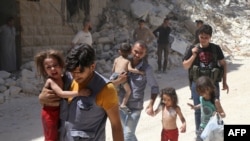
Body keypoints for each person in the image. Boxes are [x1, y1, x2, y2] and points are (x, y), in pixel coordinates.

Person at [39, 44, 124, 141]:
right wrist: (42, 97)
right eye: (72, 72)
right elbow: (49, 96)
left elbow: (116, 126)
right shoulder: (67, 79)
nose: (75, 76)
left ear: (92, 66)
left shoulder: (106, 90)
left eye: (79, 72)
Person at [182, 24, 229, 137]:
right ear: (198, 36)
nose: (203, 39)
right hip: (197, 85)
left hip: (212, 84)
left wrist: (224, 82)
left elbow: (223, 64)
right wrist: (193, 55)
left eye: (206, 37)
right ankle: (200, 134)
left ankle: (213, 133)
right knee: (198, 109)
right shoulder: (193, 48)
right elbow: (185, 66)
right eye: (201, 37)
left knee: (214, 108)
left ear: (210, 37)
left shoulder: (215, 48)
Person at [34, 49, 90, 141]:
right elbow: (61, 93)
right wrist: (80, 93)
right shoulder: (51, 81)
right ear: (44, 71)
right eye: (48, 67)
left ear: (61, 65)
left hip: (59, 112)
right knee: (51, 137)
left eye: (55, 65)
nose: (53, 69)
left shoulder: (65, 77)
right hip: (49, 113)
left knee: (59, 134)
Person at [116, 40, 160, 141]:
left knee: (127, 135)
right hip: (121, 105)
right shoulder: (123, 62)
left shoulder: (146, 69)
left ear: (145, 54)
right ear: (131, 50)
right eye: (136, 51)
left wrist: (151, 103)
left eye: (141, 53)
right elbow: (113, 79)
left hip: (135, 107)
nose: (137, 54)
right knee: (127, 133)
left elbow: (154, 87)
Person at [187, 76, 226, 141]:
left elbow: (223, 114)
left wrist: (218, 113)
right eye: (199, 92)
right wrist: (195, 107)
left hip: (213, 129)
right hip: (203, 127)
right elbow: (202, 104)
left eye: (202, 91)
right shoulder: (201, 98)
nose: (200, 93)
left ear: (209, 88)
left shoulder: (215, 101)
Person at [110, 42, 144, 114]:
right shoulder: (127, 61)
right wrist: (140, 72)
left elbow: (113, 69)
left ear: (119, 51)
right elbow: (131, 69)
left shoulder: (116, 59)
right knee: (128, 91)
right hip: (122, 77)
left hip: (114, 77)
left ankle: (115, 105)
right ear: (130, 52)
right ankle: (123, 104)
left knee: (116, 92)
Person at [188, 20, 204, 100]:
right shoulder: (197, 31)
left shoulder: (203, 31)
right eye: (197, 23)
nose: (197, 25)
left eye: (198, 23)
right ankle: (193, 94)